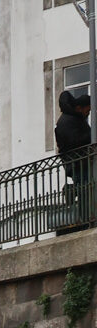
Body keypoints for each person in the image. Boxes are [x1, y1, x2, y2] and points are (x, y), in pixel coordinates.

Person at [60, 88, 93, 230]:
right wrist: (92, 137)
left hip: (79, 162)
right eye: (88, 110)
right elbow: (73, 141)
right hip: (78, 162)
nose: (88, 113)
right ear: (80, 108)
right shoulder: (68, 121)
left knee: (87, 189)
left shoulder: (72, 118)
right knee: (85, 190)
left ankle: (87, 217)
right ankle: (87, 218)